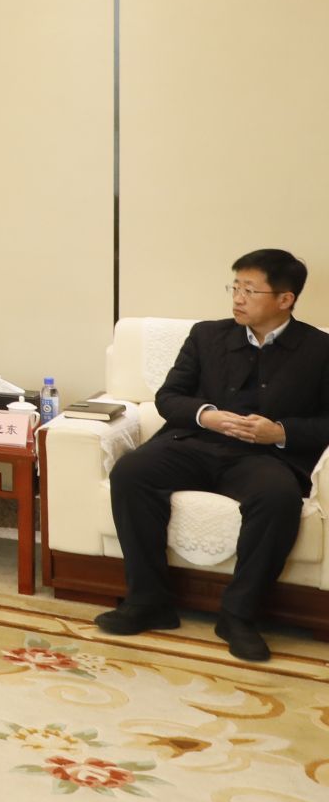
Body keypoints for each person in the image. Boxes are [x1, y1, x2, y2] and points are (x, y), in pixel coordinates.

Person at [97, 249, 329, 662]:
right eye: (234, 287)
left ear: (285, 299)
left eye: (250, 290)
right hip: (196, 443)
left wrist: (280, 432)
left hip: (266, 458)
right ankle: (149, 601)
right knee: (132, 472)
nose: (237, 298)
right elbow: (169, 397)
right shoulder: (206, 336)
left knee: (277, 499)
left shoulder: (319, 349)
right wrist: (207, 416)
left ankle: (238, 616)